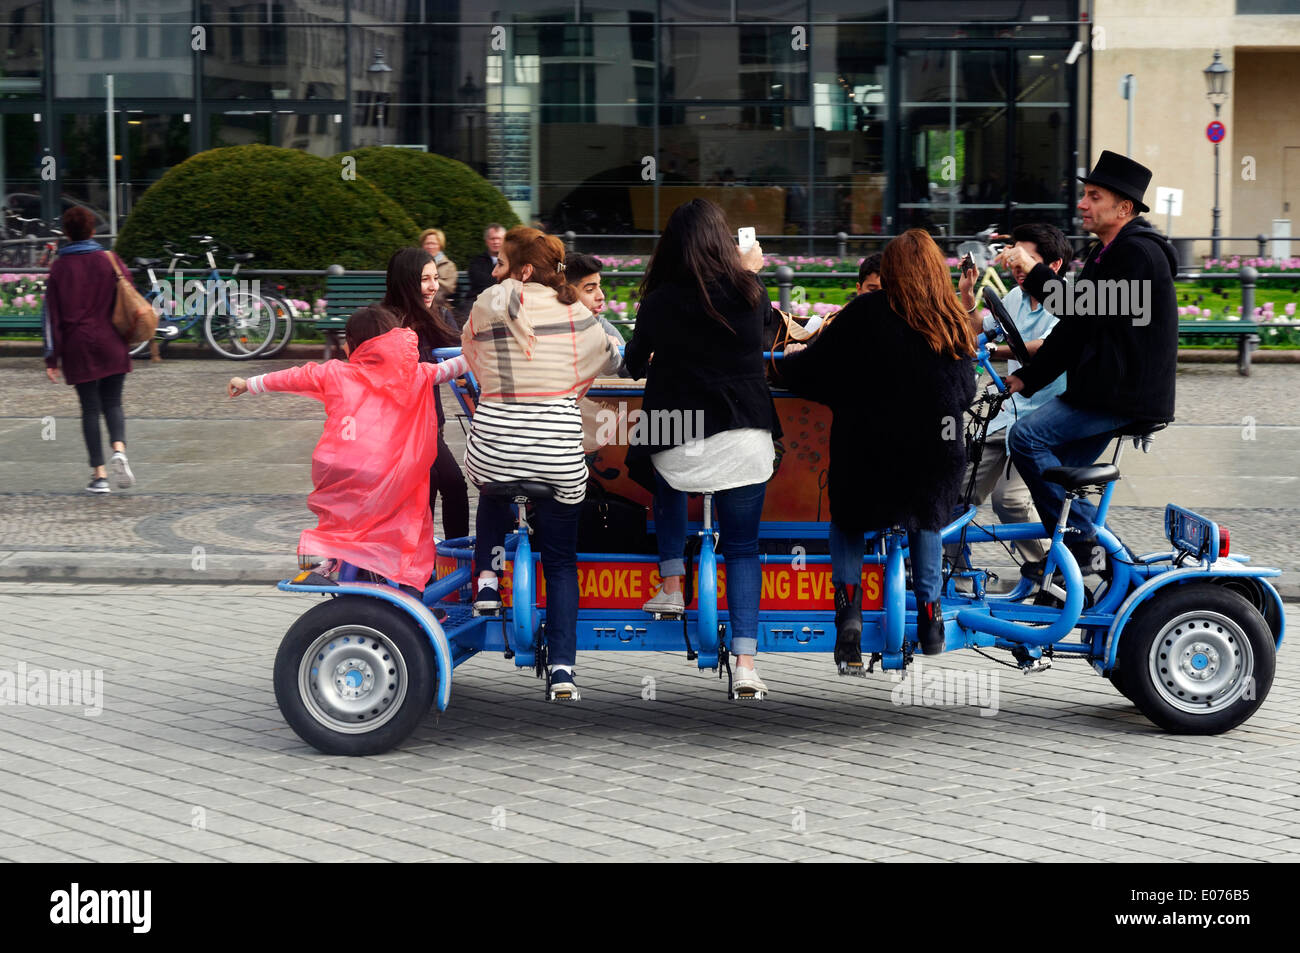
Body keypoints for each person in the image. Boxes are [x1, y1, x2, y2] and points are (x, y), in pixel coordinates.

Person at [778, 229, 977, 666]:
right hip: (936, 451)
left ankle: (848, 612)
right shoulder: (949, 317)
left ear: (890, 271)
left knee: (848, 519)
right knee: (927, 515)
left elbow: (811, 370)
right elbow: (965, 392)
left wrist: (777, 365)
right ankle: (930, 613)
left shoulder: (864, 312)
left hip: (869, 451)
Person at [624, 199, 781, 697]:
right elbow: (773, 335)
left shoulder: (660, 299)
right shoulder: (750, 292)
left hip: (680, 436)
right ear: (723, 242)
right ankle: (747, 666)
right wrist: (748, 273)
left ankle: (671, 584)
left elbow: (631, 365)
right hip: (744, 437)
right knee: (742, 549)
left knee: (659, 459)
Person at [462, 227, 622, 700]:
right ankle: (564, 671)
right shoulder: (577, 312)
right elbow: (610, 362)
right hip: (555, 455)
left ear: (521, 268)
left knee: (493, 485)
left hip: (491, 448)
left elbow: (472, 354)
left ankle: (487, 583)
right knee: (561, 562)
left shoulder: (487, 303)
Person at [1002, 151, 1178, 566]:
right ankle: (1087, 570)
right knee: (1054, 477)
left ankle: (1090, 556)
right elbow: (1077, 329)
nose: (1082, 203)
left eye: (1094, 196)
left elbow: (1077, 307)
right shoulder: (1106, 253)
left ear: (1124, 208)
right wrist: (1028, 378)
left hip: (1118, 395)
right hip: (1104, 390)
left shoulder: (1139, 255)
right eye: (1084, 195)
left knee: (1025, 439)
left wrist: (1036, 271)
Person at [228, 307, 468, 590]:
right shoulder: (415, 375)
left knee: (340, 514)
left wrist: (249, 383)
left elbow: (295, 377)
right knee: (401, 514)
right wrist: (481, 351)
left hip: (339, 466)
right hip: (388, 472)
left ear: (354, 345)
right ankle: (397, 575)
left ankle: (328, 558)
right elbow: (451, 368)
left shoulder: (335, 372)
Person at [953, 222, 1073, 573]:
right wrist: (967, 295)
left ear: (1052, 268)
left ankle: (1053, 574)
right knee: (956, 490)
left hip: (1044, 421)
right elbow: (979, 333)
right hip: (1005, 411)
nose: (1017, 270)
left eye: (1024, 261)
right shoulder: (1015, 297)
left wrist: (997, 349)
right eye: (1015, 262)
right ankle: (953, 575)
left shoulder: (1069, 300)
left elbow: (1045, 349)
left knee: (1011, 501)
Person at [42, 206, 136, 494]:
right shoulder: (109, 259)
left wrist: (51, 357)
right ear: (93, 230)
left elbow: (51, 316)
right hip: (111, 342)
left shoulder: (59, 267)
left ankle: (100, 475)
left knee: (90, 409)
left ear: (67, 234)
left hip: (77, 345)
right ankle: (119, 449)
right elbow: (129, 293)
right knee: (114, 402)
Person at [382, 247, 471, 546]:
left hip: (432, 423)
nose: (433, 286)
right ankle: (446, 564)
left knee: (438, 487)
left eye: (435, 278)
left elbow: (461, 351)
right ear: (405, 281)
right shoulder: (386, 322)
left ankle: (442, 564)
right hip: (400, 427)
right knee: (451, 485)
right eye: (424, 279)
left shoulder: (438, 314)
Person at [566, 252, 630, 377]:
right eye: (590, 290)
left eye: (599, 286)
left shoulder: (601, 325)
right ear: (565, 293)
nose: (601, 296)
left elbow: (629, 371)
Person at [418, 228, 459, 308]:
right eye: (427, 243)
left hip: (440, 305)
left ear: (440, 245)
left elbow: (450, 288)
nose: (430, 246)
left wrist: (429, 279)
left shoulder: (449, 265)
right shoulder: (415, 263)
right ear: (422, 245)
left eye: (433, 243)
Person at [466, 223, 506, 304]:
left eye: (499, 238)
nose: (496, 242)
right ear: (486, 241)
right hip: (477, 301)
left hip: (502, 302)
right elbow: (477, 280)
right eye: (492, 239)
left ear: (505, 241)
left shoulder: (511, 262)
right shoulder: (477, 261)